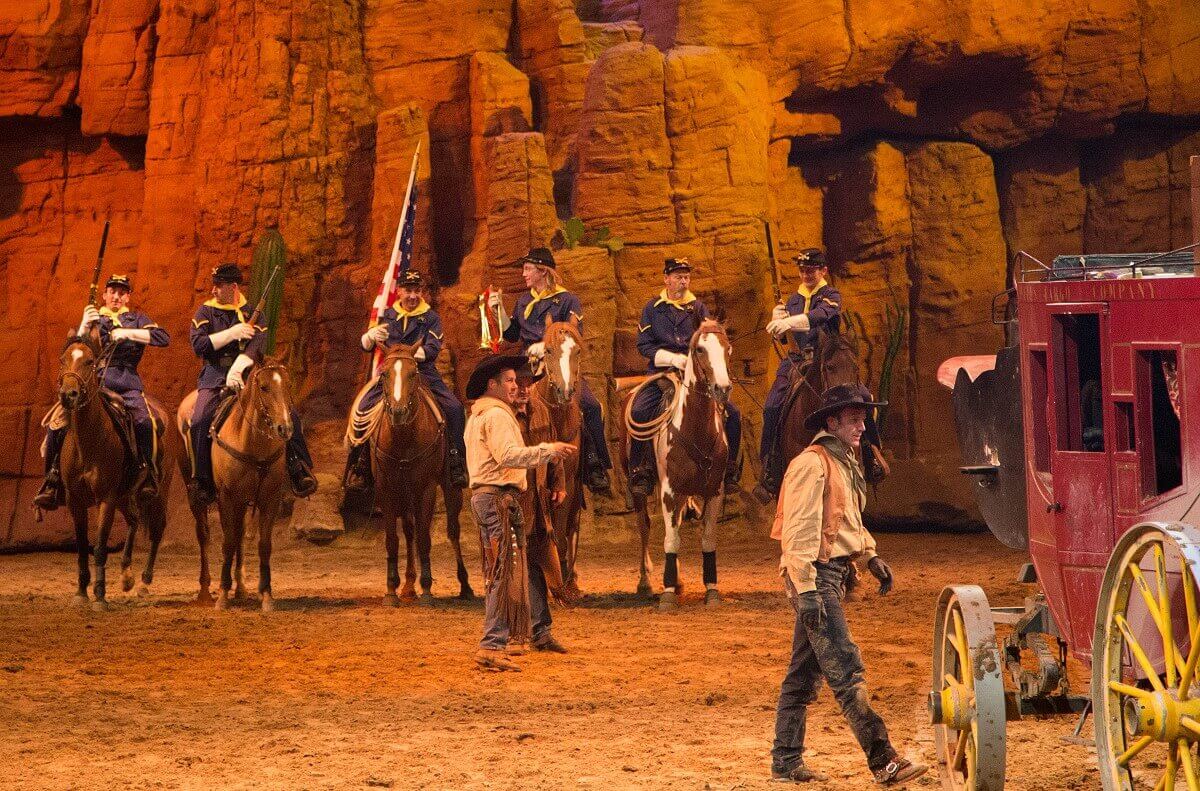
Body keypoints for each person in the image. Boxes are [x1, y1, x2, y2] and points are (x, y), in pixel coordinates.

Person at [770, 383, 926, 786]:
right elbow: (799, 531)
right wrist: (805, 590)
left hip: (831, 575)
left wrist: (869, 555)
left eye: (864, 417)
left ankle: (786, 761)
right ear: (832, 421)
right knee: (845, 668)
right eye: (854, 418)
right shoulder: (812, 463)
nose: (862, 425)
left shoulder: (843, 462)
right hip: (817, 576)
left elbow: (847, 520)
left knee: (803, 675)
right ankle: (884, 760)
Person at [464, 353, 577, 672]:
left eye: (519, 380)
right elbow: (508, 455)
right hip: (499, 498)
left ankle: (510, 638)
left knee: (505, 572)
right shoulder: (497, 415)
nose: (516, 386)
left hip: (494, 498)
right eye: (511, 381)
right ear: (493, 384)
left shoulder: (479, 415)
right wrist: (549, 451)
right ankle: (492, 644)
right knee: (504, 574)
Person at [34, 274, 170, 509]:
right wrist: (84, 325)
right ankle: (52, 479)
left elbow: (162, 337)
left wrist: (128, 333)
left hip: (127, 385)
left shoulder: (136, 319)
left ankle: (146, 474)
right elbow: (72, 351)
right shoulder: (95, 319)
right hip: (95, 385)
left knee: (145, 423)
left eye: (121, 292)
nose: (116, 296)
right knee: (56, 424)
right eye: (112, 292)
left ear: (127, 296)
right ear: (104, 295)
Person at [187, 263, 316, 505]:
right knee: (200, 419)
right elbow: (198, 345)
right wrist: (231, 333)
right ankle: (202, 479)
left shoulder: (253, 313)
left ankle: (298, 466)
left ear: (233, 287)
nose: (213, 290)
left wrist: (239, 366)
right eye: (214, 285)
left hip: (248, 375)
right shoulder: (205, 312)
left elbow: (259, 344)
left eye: (219, 286)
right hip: (214, 374)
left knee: (290, 415)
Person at [489, 247, 612, 494]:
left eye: (528, 269)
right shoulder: (524, 300)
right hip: (528, 366)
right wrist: (498, 310)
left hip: (558, 364)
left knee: (590, 406)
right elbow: (512, 334)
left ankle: (594, 463)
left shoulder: (568, 300)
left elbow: (575, 334)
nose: (523, 274)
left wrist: (545, 346)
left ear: (542, 271)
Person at [626, 257, 742, 497]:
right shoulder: (652, 309)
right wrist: (671, 358)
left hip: (696, 376)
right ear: (666, 279)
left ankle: (728, 471)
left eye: (686, 277)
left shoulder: (698, 308)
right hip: (661, 374)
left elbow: (707, 339)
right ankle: (641, 470)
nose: (683, 281)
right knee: (638, 411)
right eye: (678, 276)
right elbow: (643, 345)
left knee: (733, 415)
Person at [345, 270, 468, 490]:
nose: (412, 295)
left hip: (422, 372)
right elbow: (367, 346)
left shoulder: (430, 317)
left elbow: (432, 347)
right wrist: (369, 337)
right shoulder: (387, 315)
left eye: (417, 290)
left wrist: (410, 355)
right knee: (363, 409)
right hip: (391, 375)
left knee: (455, 408)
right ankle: (360, 465)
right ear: (399, 291)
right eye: (408, 290)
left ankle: (456, 461)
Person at [758, 249, 842, 500]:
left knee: (859, 395)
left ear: (823, 271)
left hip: (826, 358)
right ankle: (769, 467)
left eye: (811, 270)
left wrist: (790, 322)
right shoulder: (792, 300)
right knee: (771, 407)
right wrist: (778, 323)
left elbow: (821, 316)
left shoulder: (831, 295)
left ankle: (871, 455)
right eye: (802, 270)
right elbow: (784, 336)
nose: (806, 274)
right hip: (796, 360)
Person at [509, 363, 569, 657]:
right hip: (513, 501)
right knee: (511, 569)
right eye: (517, 383)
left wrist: (558, 482)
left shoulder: (542, 410)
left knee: (536, 564)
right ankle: (511, 633)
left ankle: (541, 631)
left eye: (527, 383)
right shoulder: (501, 416)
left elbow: (554, 450)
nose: (523, 389)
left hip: (538, 502)